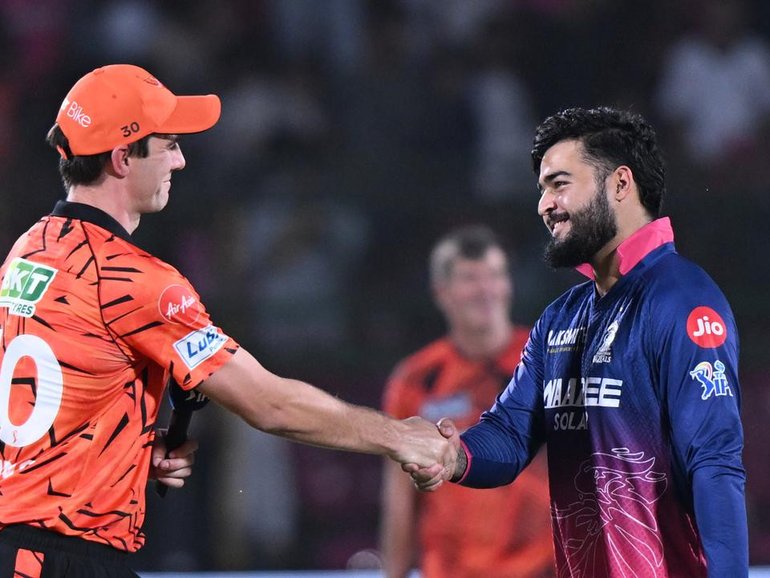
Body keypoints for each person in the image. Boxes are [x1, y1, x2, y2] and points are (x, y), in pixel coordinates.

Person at [0, 64, 452, 577]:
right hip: (64, 559)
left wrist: (124, 451)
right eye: (169, 144)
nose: (180, 160)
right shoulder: (138, 279)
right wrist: (399, 436)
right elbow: (270, 405)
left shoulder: (28, 251)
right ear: (123, 158)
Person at [409, 106, 748, 577]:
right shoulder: (560, 319)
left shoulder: (683, 302)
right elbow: (510, 435)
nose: (544, 205)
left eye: (559, 184)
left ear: (620, 183)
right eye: (542, 189)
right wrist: (452, 455)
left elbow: (714, 463)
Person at [379, 225, 555, 578]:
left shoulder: (549, 362)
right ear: (441, 292)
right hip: (451, 571)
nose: (485, 289)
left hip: (539, 569)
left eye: (494, 275)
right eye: (470, 278)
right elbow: (400, 498)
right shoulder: (416, 379)